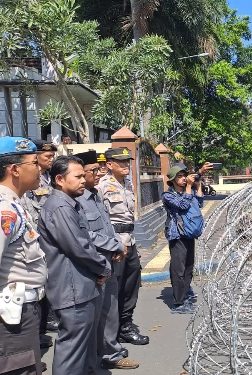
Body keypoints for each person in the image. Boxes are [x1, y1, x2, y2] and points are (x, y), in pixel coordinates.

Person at [0, 137, 47, 374]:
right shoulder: (0, 210)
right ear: (14, 169)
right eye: (34, 163)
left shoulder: (14, 204)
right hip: (6, 321)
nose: (40, 168)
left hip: (18, 316)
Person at [38, 155, 111, 375]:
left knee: (84, 347)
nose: (83, 180)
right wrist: (103, 267)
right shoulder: (60, 207)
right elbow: (79, 247)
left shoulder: (70, 204)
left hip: (82, 285)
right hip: (72, 289)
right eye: (77, 176)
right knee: (72, 350)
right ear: (59, 179)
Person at [74, 151, 139, 370]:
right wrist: (115, 246)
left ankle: (111, 347)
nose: (95, 174)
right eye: (92, 171)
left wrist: (118, 245)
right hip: (99, 257)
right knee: (100, 309)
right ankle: (99, 355)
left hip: (117, 248)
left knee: (115, 302)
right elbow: (85, 233)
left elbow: (106, 225)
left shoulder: (94, 195)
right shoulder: (81, 198)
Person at [97, 148, 149, 345]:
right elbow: (100, 219)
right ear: (109, 165)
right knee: (114, 288)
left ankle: (126, 325)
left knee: (131, 284)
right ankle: (111, 331)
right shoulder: (102, 185)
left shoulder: (128, 183)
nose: (126, 165)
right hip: (114, 242)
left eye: (127, 162)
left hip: (130, 240)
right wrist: (113, 244)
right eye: (121, 162)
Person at [21, 139, 59, 344]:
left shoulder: (47, 177)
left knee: (46, 280)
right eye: (47, 157)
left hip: (46, 237)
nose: (51, 160)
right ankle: (37, 330)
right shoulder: (30, 181)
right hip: (34, 237)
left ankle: (44, 323)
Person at [162, 162, 212, 313]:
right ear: (172, 179)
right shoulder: (168, 196)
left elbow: (200, 202)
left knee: (189, 268)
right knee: (178, 269)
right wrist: (190, 188)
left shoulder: (188, 191)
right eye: (180, 176)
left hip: (190, 234)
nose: (184, 179)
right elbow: (183, 205)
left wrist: (198, 181)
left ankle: (185, 296)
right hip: (177, 236)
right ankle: (178, 303)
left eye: (185, 176)